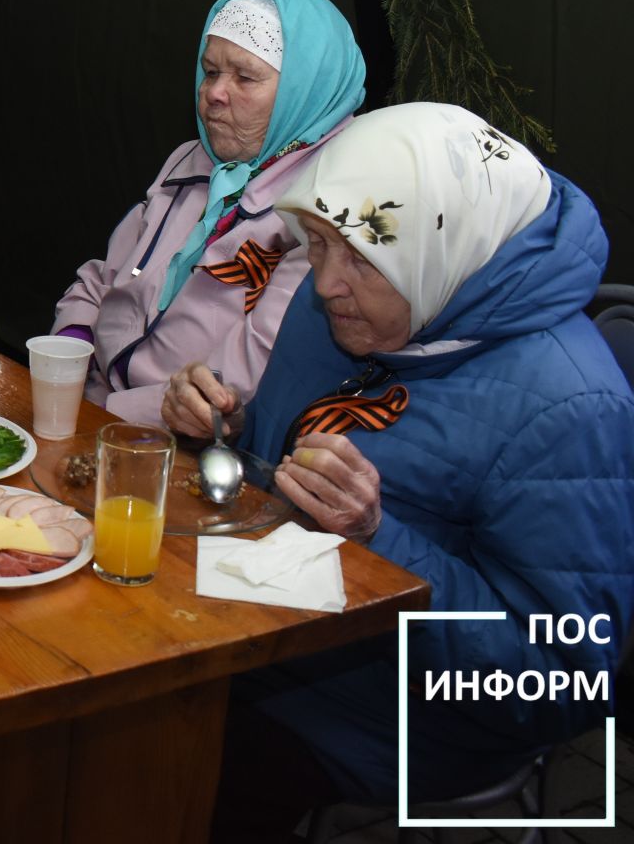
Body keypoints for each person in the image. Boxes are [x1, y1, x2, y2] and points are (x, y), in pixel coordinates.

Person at [160, 103, 634, 836]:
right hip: (256, 627)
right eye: (315, 245)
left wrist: (377, 542)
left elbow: (560, 684)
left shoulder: (572, 409)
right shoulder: (351, 304)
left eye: (361, 259)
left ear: (437, 255)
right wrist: (223, 426)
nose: (324, 285)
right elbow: (294, 454)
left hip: (389, 714)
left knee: (153, 763)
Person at [52, 0, 365, 424]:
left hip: (180, 439)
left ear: (304, 89)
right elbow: (104, 277)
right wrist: (70, 343)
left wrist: (100, 414)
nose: (214, 93)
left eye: (245, 77)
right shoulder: (193, 159)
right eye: (210, 70)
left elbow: (239, 386)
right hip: (90, 396)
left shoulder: (323, 209)